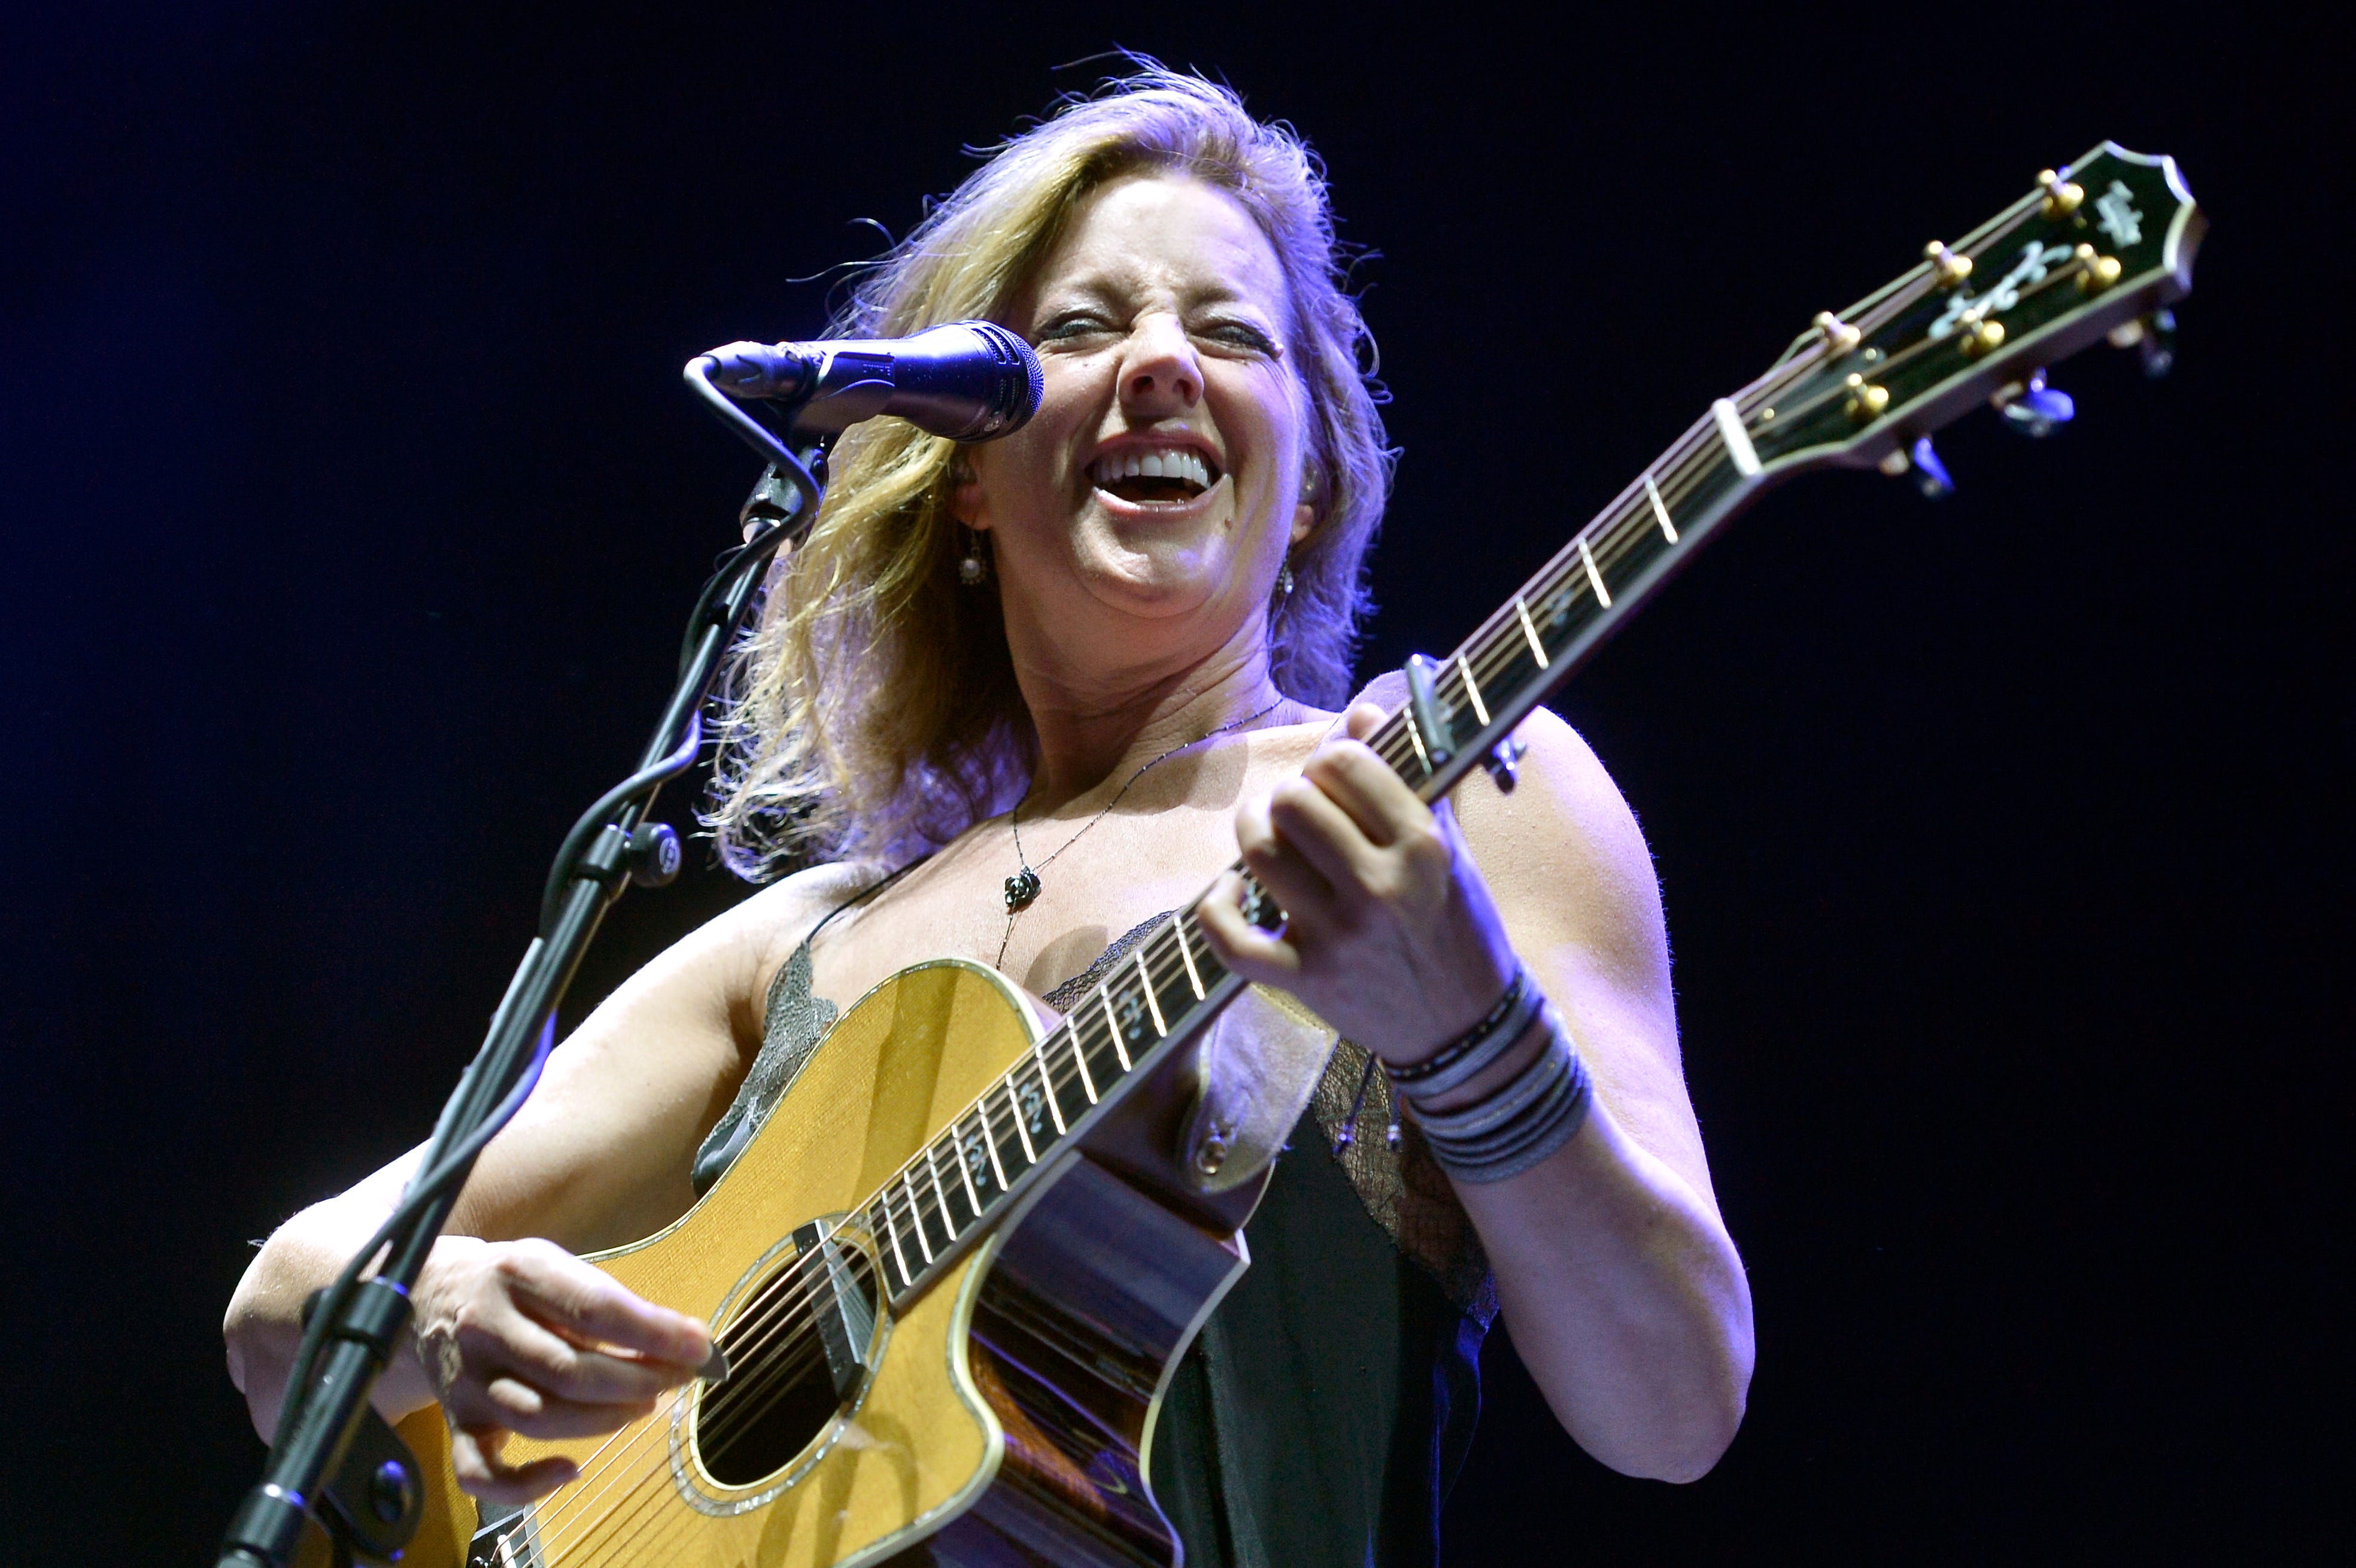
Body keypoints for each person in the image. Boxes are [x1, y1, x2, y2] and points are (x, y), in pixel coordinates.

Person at [224, 67, 1753, 1566]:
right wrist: (440, 1313)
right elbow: (283, 1314)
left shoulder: (1453, 796)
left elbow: (1674, 1407)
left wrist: (1464, 1024)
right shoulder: (810, 939)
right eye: (1080, 329)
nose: (1159, 362)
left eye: (1230, 333)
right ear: (964, 470)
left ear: (1307, 483)